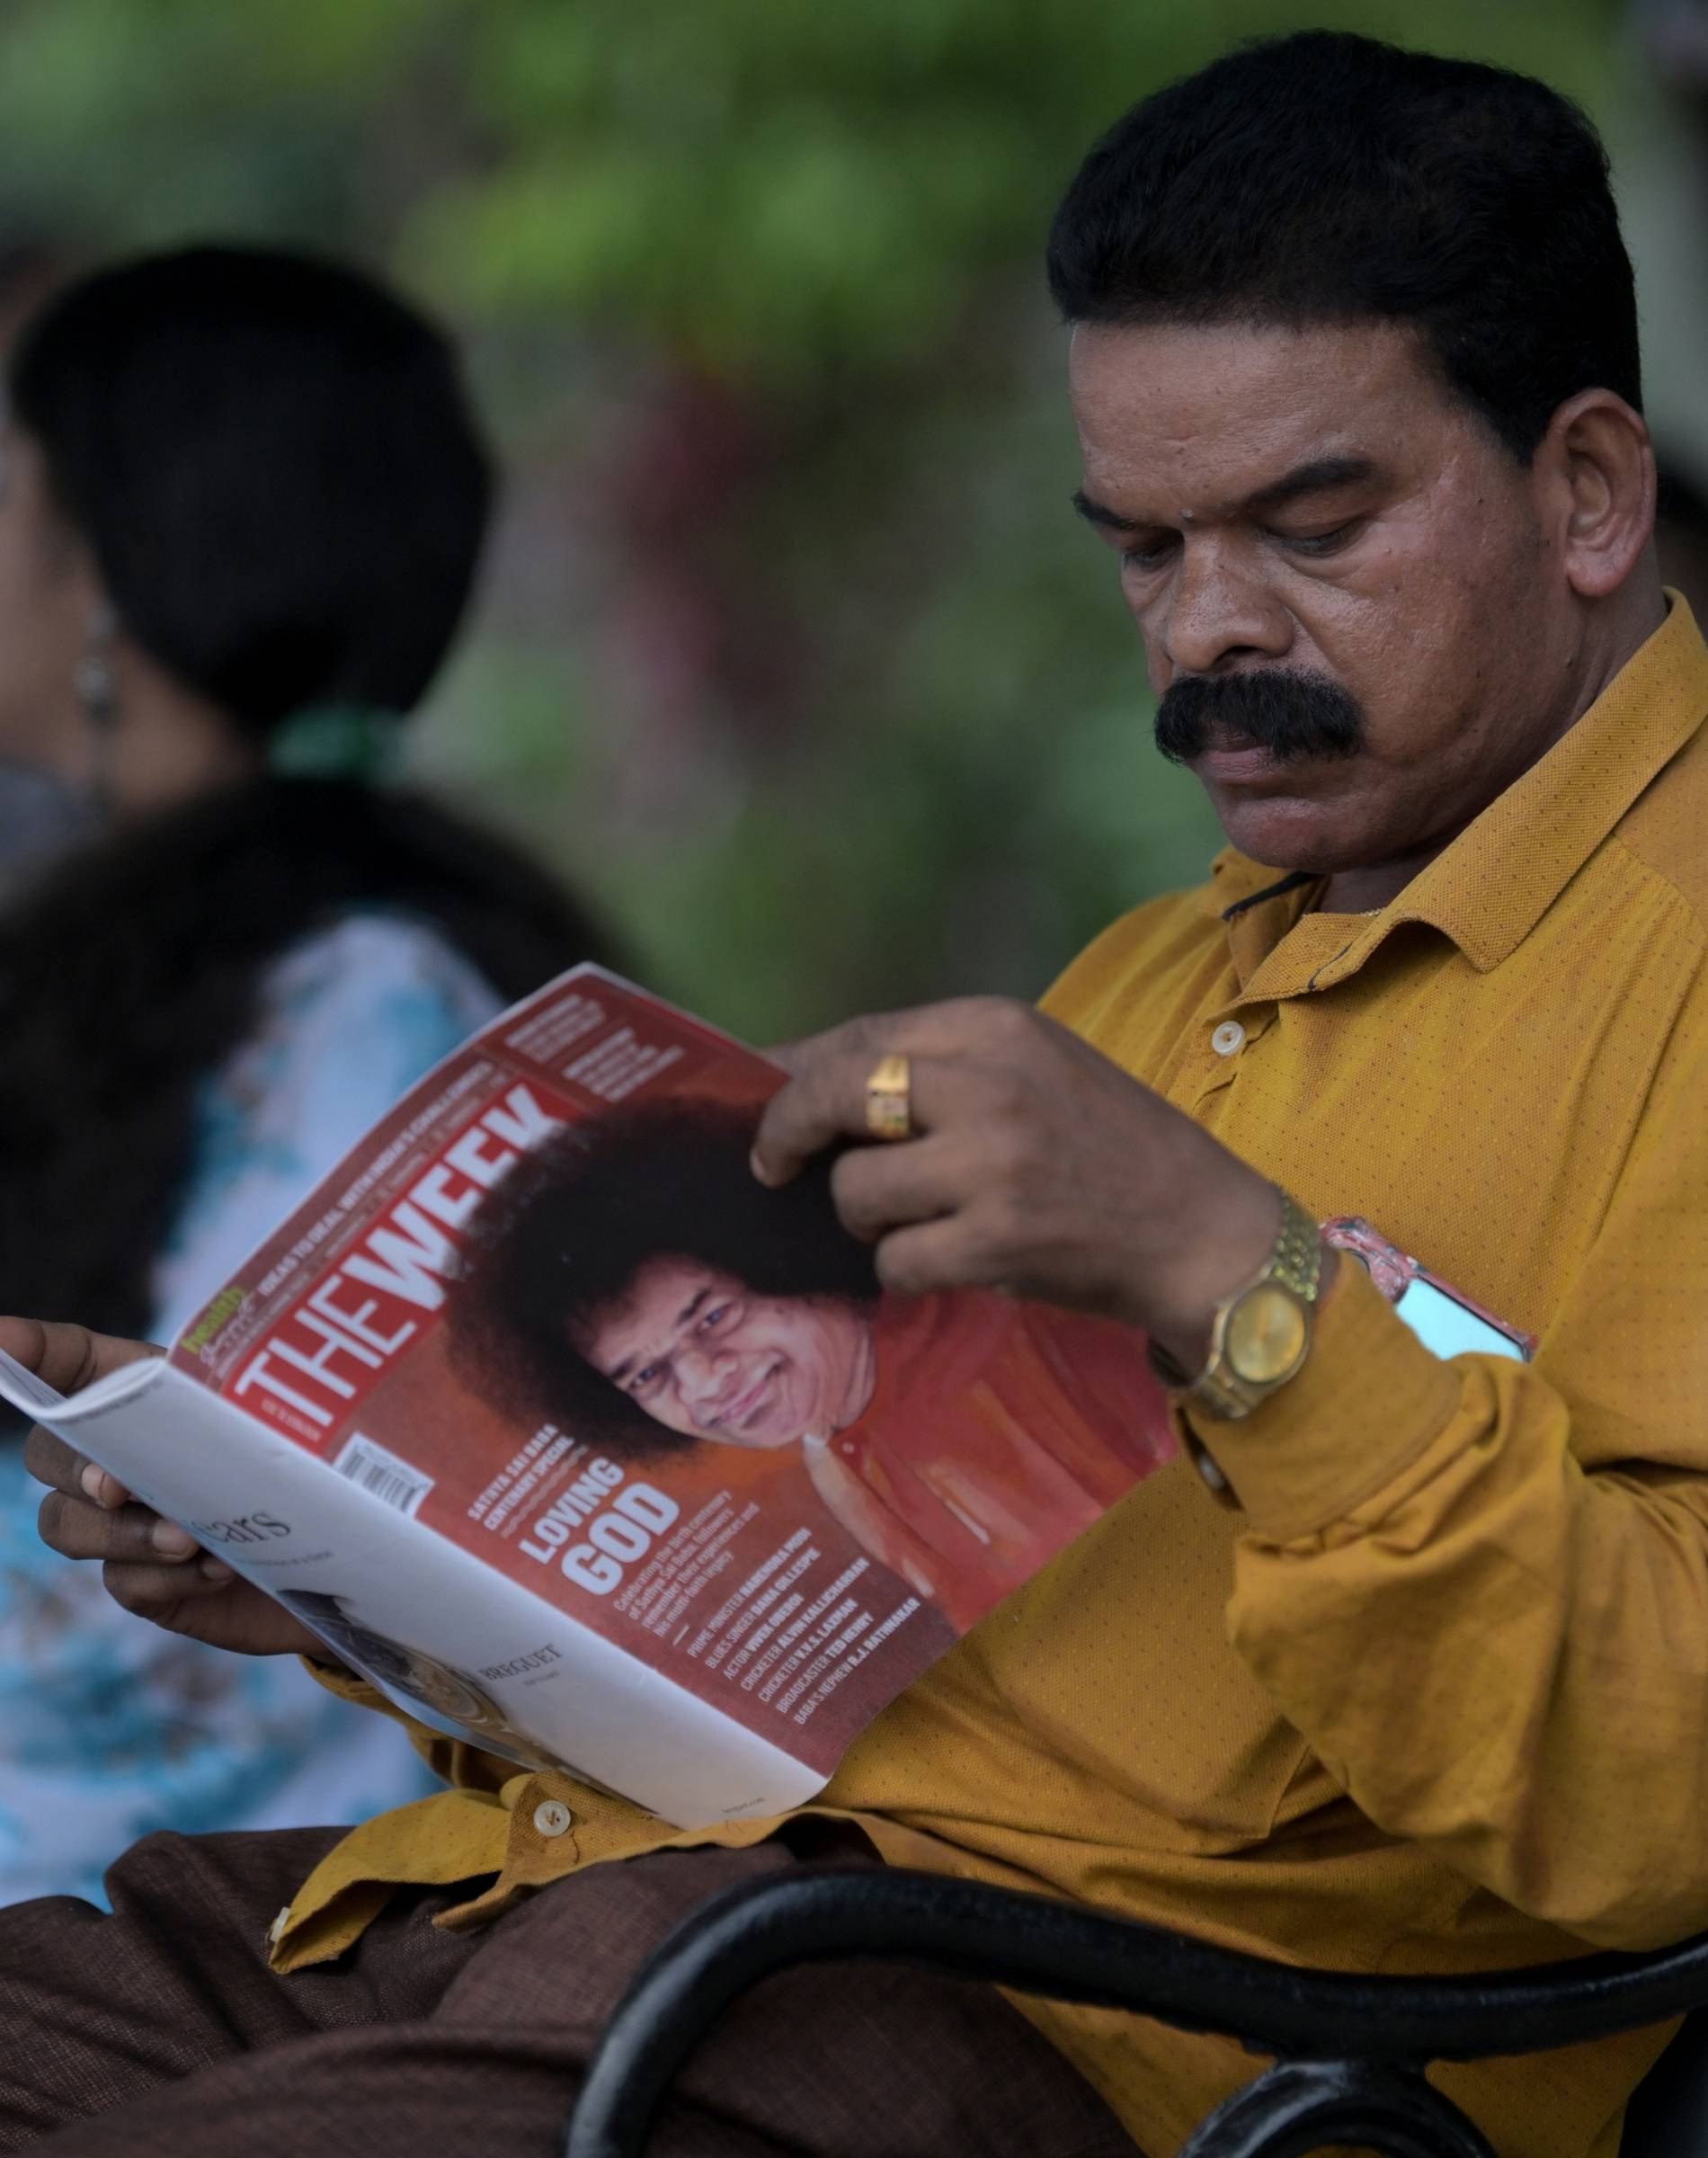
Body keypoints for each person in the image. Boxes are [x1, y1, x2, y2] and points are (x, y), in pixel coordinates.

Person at [4, 30, 1704, 2156]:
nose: (1204, 632)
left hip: (1048, 2020)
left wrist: (1230, 1275)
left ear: (1584, 490)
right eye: (1143, 549)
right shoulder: (1176, 966)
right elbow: (826, 1579)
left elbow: (1661, 1792)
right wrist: (356, 1563)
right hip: (588, 1896)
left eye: (1307, 523)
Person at [0, 245, 607, 1907]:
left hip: (222, 1909)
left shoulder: (359, 1012)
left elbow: (239, 1612)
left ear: (109, 578)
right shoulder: (243, 964)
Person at [445, 1100, 1172, 1631]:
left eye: (711, 1317)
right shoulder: (835, 1460)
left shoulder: (999, 1314)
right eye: (648, 1376)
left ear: (781, 1256)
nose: (705, 1383)